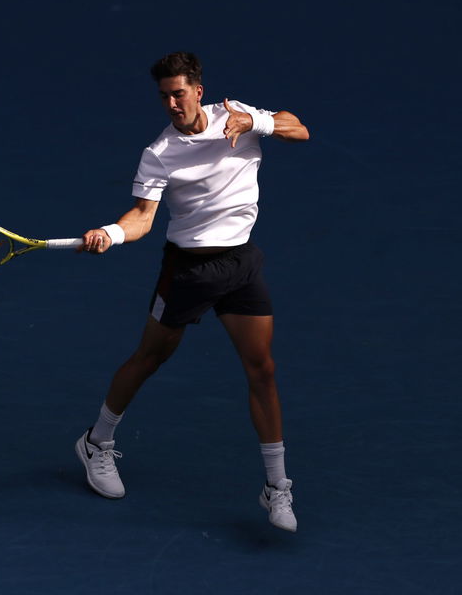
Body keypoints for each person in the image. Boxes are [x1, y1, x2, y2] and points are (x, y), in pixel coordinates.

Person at [74, 51, 309, 532]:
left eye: (179, 93)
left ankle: (276, 486)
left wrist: (255, 121)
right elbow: (142, 218)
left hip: (241, 264)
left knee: (262, 369)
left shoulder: (236, 115)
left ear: (198, 91)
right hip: (188, 272)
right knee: (150, 358)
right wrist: (111, 233)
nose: (172, 104)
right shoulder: (160, 153)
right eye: (164, 97)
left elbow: (298, 129)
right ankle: (96, 442)